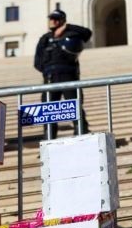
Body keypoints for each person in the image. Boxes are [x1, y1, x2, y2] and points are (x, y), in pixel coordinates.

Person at [33, 9, 91, 139]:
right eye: (51, 18)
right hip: (50, 78)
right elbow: (37, 62)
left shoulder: (71, 33)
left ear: (62, 21)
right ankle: (49, 142)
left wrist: (67, 27)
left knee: (75, 107)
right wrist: (48, 70)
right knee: (49, 112)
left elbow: (87, 33)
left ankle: (81, 136)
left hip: (68, 76)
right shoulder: (45, 38)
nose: (52, 21)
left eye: (56, 19)